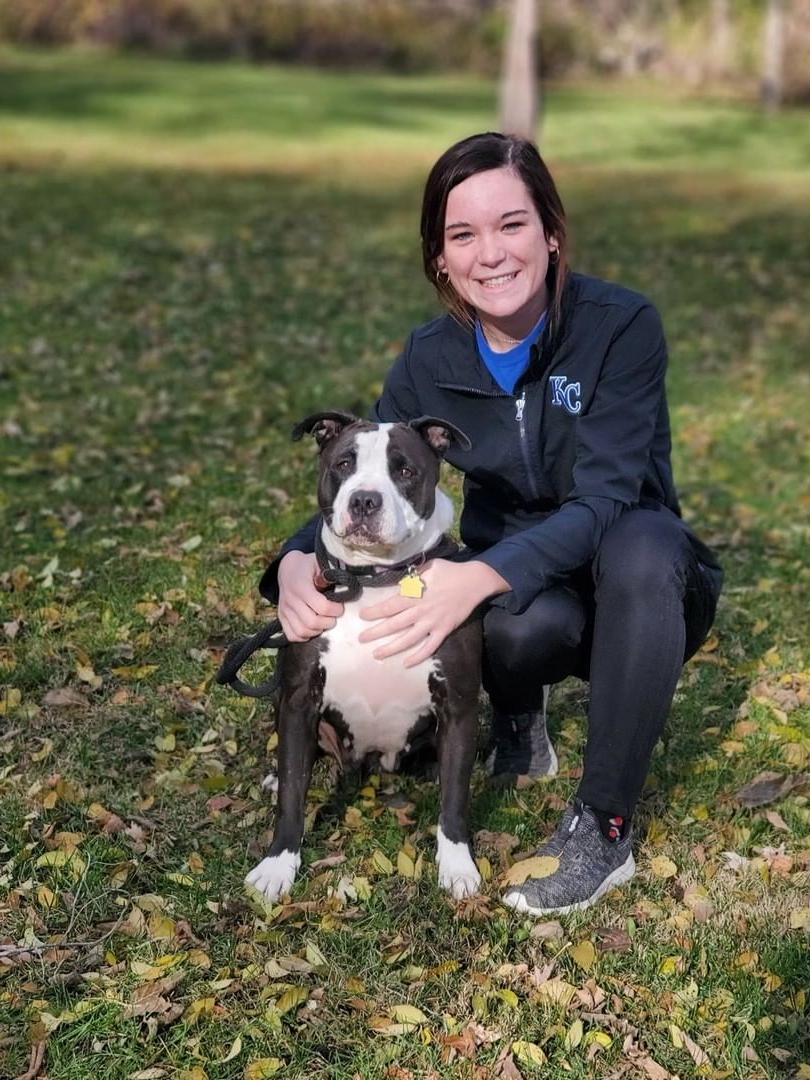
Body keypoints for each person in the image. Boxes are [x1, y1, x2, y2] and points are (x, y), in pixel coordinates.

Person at [258, 132, 722, 916]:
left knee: (641, 549)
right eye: (462, 235)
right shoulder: (429, 357)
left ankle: (603, 829)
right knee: (494, 627)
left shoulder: (621, 326)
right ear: (439, 258)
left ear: (551, 231)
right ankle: (517, 713)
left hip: (639, 577)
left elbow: (606, 500)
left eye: (511, 225)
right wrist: (294, 564)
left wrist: (476, 573)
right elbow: (370, 471)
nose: (491, 254)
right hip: (523, 589)